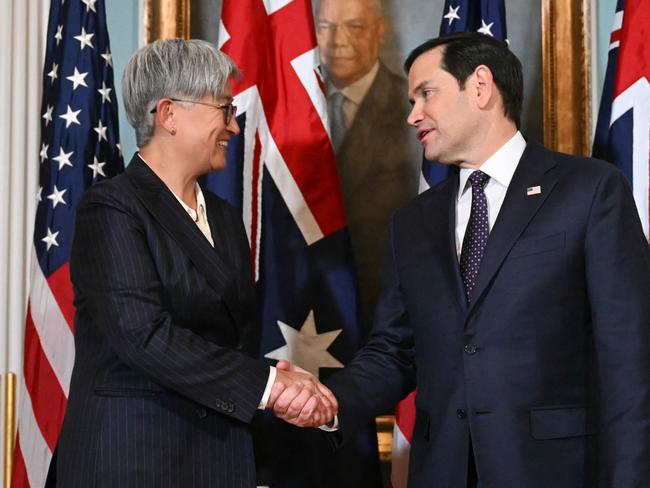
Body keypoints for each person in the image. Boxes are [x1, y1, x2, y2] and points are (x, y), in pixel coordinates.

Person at [281, 32, 650, 486]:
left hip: (555, 471)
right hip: (443, 471)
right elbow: (395, 351)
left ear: (480, 86)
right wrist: (331, 402)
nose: (412, 114)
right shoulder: (412, 222)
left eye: (426, 94)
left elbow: (629, 355)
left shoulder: (589, 190)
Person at [55, 39, 336, 487]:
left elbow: (219, 340)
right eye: (224, 109)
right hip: (134, 461)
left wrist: (274, 375)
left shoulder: (223, 218)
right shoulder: (111, 208)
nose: (234, 127)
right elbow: (144, 336)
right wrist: (268, 386)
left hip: (214, 458)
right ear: (168, 115)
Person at [315, 0, 420, 333]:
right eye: (325, 27)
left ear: (380, 31)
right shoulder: (286, 109)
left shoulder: (414, 109)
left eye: (355, 27)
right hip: (303, 311)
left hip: (388, 312)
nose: (337, 41)